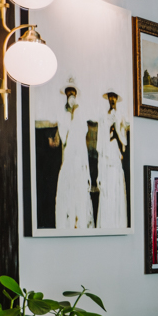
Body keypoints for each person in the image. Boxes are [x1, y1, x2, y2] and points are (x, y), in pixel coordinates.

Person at [54, 84, 93, 230]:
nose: (71, 96)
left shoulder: (81, 115)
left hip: (80, 158)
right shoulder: (63, 116)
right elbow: (64, 138)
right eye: (68, 93)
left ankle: (80, 225)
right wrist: (69, 115)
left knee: (81, 194)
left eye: (73, 94)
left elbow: (83, 139)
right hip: (69, 158)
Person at [96, 91, 128, 229]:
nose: (112, 99)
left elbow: (124, 143)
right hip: (105, 160)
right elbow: (100, 146)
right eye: (110, 97)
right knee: (106, 193)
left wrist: (117, 134)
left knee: (116, 193)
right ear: (108, 99)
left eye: (114, 97)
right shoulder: (103, 118)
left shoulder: (120, 117)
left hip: (115, 158)